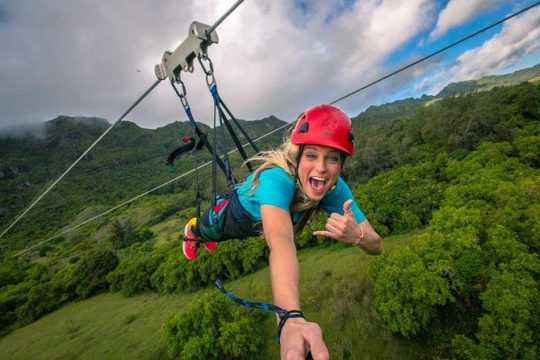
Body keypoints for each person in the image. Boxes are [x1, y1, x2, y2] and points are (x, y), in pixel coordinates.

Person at [183, 104, 382, 360]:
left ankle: (207, 237)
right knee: (209, 228)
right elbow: (281, 242)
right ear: (298, 155)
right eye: (311, 155)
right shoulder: (277, 178)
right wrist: (290, 316)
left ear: (341, 163)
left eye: (332, 158)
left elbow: (377, 245)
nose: (322, 168)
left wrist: (358, 236)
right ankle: (193, 233)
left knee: (231, 235)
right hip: (235, 212)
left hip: (258, 225)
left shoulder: (334, 189)